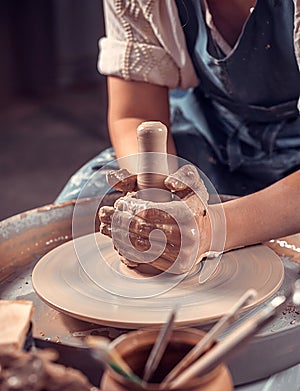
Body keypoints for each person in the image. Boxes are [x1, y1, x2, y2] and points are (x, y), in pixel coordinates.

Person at [57, 0, 300, 274]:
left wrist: (210, 229)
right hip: (211, 130)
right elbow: (135, 112)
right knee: (82, 204)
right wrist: (153, 201)